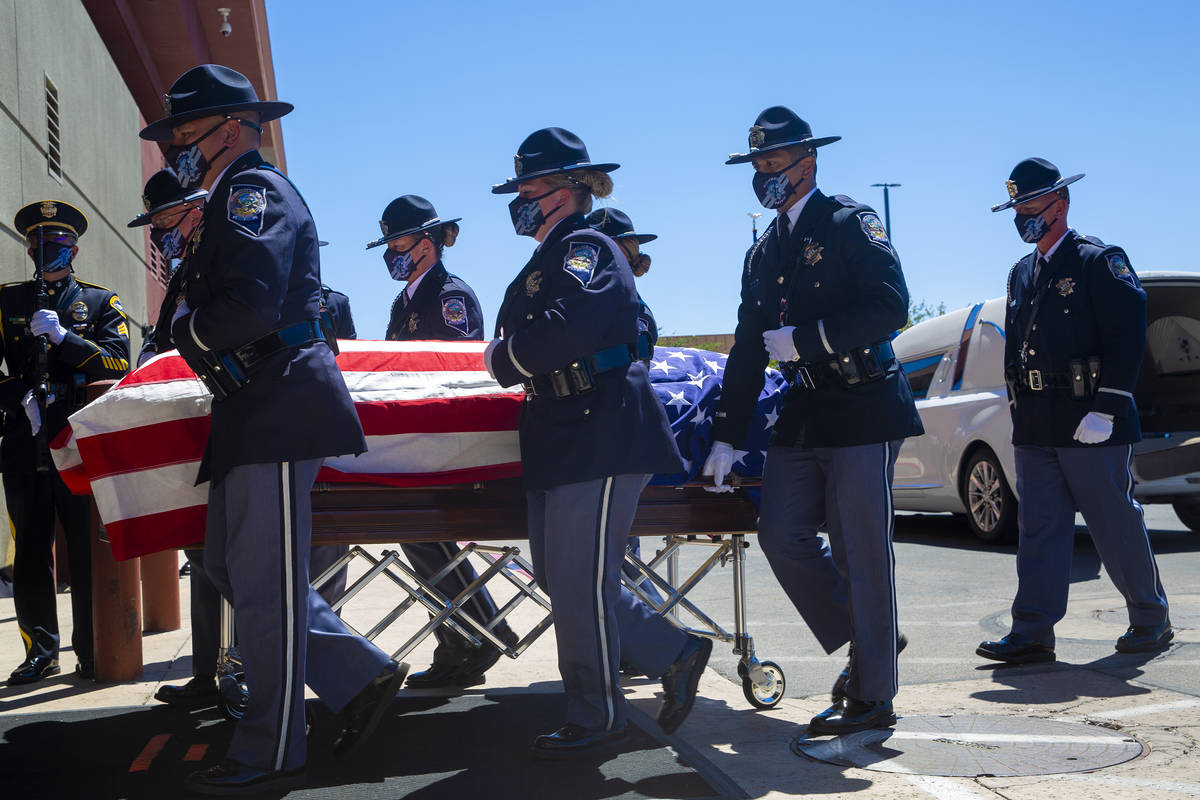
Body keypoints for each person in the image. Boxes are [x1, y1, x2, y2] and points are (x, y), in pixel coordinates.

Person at [141, 64, 403, 794]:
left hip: (278, 404)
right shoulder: (231, 196)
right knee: (229, 566)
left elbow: (251, 306)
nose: (174, 149)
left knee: (262, 585)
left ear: (230, 127)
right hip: (253, 405)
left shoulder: (255, 193)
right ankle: (360, 674)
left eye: (183, 133)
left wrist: (189, 327)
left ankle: (271, 748)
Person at [486, 127, 709, 759]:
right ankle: (674, 651)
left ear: (567, 190)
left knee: (581, 580)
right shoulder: (545, 259)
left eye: (528, 186)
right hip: (561, 431)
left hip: (601, 429)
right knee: (565, 578)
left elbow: (567, 330)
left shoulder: (588, 247)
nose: (519, 198)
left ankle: (597, 714)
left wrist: (501, 357)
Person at [702, 106, 923, 735]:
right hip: (804, 411)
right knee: (781, 534)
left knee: (860, 551)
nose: (763, 172)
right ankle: (871, 637)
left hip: (862, 402)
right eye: (757, 164)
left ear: (808, 162)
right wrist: (725, 430)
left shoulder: (850, 221)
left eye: (772, 161)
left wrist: (811, 339)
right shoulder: (764, 249)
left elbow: (890, 306)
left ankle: (872, 693)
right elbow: (748, 346)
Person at [977, 158, 1171, 664]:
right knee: (1039, 527)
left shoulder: (1097, 261)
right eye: (1015, 207)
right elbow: (1016, 345)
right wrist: (1018, 409)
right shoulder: (1021, 272)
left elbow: (1128, 337)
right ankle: (1033, 633)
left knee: (1113, 522)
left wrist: (1107, 407)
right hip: (1038, 420)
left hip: (1092, 418)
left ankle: (1151, 620)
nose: (1023, 215)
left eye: (1030, 204)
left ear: (1060, 203)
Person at [367, 194, 519, 688]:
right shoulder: (405, 299)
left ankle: (473, 637)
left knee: (423, 531)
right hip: (415, 435)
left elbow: (454, 368)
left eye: (399, 240)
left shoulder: (450, 295)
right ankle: (473, 633)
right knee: (421, 535)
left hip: (443, 435)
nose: (392, 250)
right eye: (388, 241)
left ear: (427, 243)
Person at [2, 200, 131, 685]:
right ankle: (41, 651)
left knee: (84, 547)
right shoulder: (7, 301)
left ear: (74, 249)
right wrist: (18, 396)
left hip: (76, 440)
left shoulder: (99, 303)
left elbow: (118, 365)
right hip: (24, 437)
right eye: (36, 244)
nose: (44, 251)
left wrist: (64, 340)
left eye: (54, 244)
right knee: (31, 550)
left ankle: (92, 647)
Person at [585, 207, 663, 603]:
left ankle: (657, 636)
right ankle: (649, 634)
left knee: (616, 554)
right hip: (608, 435)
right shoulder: (609, 303)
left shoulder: (630, 307)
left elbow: (633, 369)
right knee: (614, 551)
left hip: (619, 435)